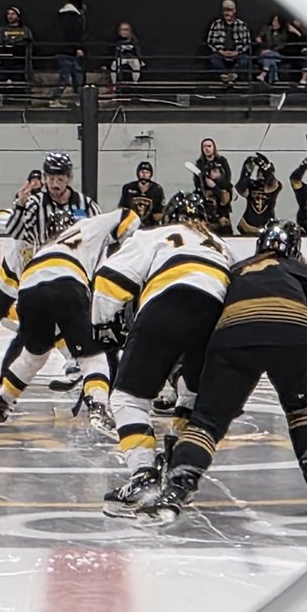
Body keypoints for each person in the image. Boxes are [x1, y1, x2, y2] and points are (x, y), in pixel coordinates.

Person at [134, 219, 307, 526]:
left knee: (207, 423)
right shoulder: (296, 268)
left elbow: (206, 313)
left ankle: (175, 491)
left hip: (235, 335)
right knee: (302, 408)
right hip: (296, 335)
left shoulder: (235, 270)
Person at [95, 190, 234, 516]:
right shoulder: (221, 245)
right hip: (216, 316)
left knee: (127, 399)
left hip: (168, 304)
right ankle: (176, 464)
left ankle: (143, 473)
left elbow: (109, 278)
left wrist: (101, 326)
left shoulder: (156, 234)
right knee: (190, 397)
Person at [0, 208, 140, 436]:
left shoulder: (48, 246)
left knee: (32, 357)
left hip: (28, 288)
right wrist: (127, 247)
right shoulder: (92, 225)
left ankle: (0, 405)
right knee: (93, 356)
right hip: (66, 282)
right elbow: (128, 215)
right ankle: (99, 407)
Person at [0, 155, 97, 377]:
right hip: (16, 272)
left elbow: (99, 232)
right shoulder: (35, 203)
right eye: (51, 178)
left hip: (49, 276)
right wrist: (19, 205)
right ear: (45, 178)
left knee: (55, 319)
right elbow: (16, 232)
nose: (56, 185)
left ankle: (70, 359)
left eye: (61, 178)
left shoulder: (86, 205)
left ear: (69, 178)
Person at [206, 0, 251, 83]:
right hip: (221, 53)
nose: (227, 13)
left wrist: (237, 52)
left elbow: (247, 43)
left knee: (245, 59)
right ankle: (225, 75)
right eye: (225, 10)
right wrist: (221, 51)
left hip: (236, 53)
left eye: (229, 10)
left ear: (234, 11)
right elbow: (210, 42)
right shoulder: (216, 24)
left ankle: (233, 74)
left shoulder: (241, 25)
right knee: (214, 58)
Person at [235, 153, 281, 235]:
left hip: (266, 225)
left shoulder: (273, 185)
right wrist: (246, 172)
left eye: (261, 171)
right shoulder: (251, 184)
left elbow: (270, 184)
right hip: (247, 226)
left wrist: (265, 166)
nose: (259, 173)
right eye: (259, 171)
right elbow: (240, 189)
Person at [53, 0, 86, 98]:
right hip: (70, 52)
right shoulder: (73, 17)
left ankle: (58, 99)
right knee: (75, 77)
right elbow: (72, 34)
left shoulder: (59, 17)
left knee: (66, 77)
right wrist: (77, 47)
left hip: (61, 50)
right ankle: (56, 99)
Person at [118, 161, 165, 227]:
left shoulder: (157, 189)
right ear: (138, 173)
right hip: (131, 224)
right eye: (142, 172)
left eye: (147, 172)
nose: (144, 175)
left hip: (150, 226)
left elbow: (159, 213)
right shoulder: (128, 188)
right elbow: (122, 208)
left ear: (151, 174)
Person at [0, 5, 33, 82]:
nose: (10, 16)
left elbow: (28, 44)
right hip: (5, 62)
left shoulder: (25, 30)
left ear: (18, 16)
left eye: (13, 14)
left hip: (19, 62)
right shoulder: (2, 29)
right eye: (8, 14)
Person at [255, 14, 290, 86]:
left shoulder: (283, 33)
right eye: (274, 21)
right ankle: (274, 80)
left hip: (277, 54)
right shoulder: (266, 29)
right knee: (271, 61)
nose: (274, 23)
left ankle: (264, 72)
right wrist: (260, 40)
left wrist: (269, 51)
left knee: (270, 56)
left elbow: (281, 46)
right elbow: (258, 37)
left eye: (277, 22)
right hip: (263, 54)